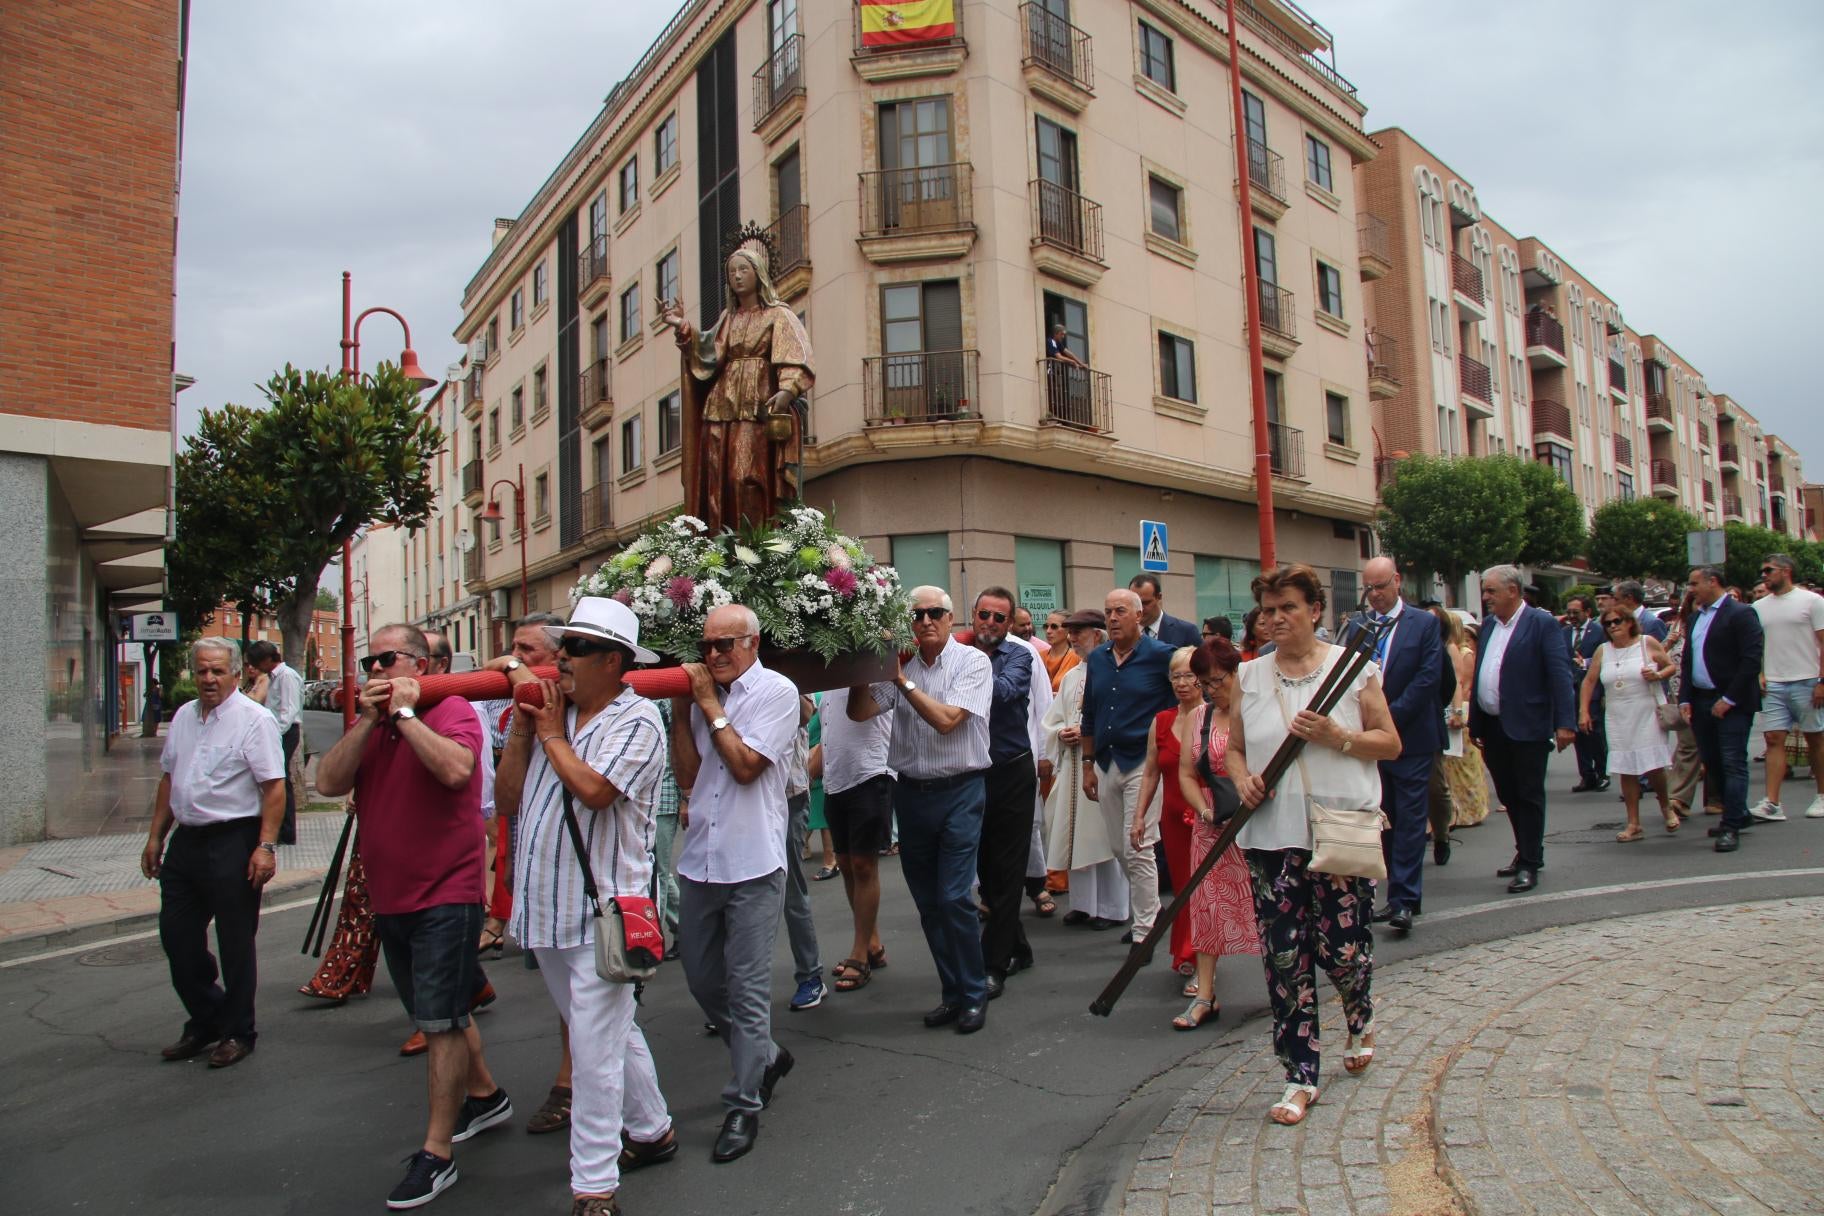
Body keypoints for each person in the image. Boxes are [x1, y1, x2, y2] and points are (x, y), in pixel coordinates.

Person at [314, 623, 510, 1210]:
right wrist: (373, 720)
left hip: (446, 894)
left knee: (442, 1022)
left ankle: (436, 1152)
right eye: (368, 661)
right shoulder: (370, 722)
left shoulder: (450, 709)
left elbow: (456, 771)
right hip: (390, 896)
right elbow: (327, 781)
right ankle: (486, 1096)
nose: (374, 670)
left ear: (419, 666)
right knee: (437, 1010)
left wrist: (404, 717)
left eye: (386, 660)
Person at [493, 598, 673, 1215]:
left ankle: (594, 1185)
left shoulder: (639, 721)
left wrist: (547, 733)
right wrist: (525, 730)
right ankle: (653, 1132)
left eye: (573, 649)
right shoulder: (552, 715)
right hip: (544, 907)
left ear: (612, 661)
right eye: (560, 648)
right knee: (608, 1032)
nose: (559, 660)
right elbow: (506, 798)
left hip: (603, 910)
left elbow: (596, 792)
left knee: (595, 1050)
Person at [1226, 565, 1401, 1125]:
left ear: (1315, 611)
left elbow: (1390, 743)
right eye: (1268, 611)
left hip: (1339, 828)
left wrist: (1339, 736)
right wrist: (1241, 780)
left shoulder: (1353, 669)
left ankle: (1360, 1014)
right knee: (1285, 958)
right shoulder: (1249, 676)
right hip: (1272, 838)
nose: (1276, 619)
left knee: (1343, 950)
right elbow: (1232, 749)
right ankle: (1299, 1074)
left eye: (1288, 609)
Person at [668, 604, 800, 1162]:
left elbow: (747, 766)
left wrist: (705, 704)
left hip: (753, 862)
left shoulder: (777, 692)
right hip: (701, 858)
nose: (716, 655)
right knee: (702, 981)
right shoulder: (701, 698)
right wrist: (683, 710)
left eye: (726, 644)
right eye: (707, 646)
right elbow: (690, 775)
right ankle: (766, 1054)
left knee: (747, 990)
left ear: (753, 643)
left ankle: (744, 1103)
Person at [846, 586, 994, 1034]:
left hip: (961, 790)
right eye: (917, 615)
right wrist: (864, 665)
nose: (926, 620)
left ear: (951, 619)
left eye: (935, 613)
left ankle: (973, 992)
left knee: (953, 896)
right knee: (929, 902)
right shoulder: (900, 666)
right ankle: (952, 993)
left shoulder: (973, 663)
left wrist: (899, 680)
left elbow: (948, 722)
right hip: (911, 793)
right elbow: (859, 711)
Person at [141, 637, 285, 1069]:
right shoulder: (184, 717)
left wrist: (265, 846)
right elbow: (169, 779)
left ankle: (238, 1031)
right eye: (202, 670)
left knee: (235, 942)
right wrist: (155, 837)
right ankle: (207, 1018)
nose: (209, 679)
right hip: (187, 841)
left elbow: (274, 787)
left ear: (237, 674)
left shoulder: (254, 720)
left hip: (234, 840)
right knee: (177, 938)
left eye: (218, 671)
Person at [661, 228, 814, 532]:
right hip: (721, 407)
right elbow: (708, 352)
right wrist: (683, 328)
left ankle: (754, 545)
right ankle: (722, 541)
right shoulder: (729, 319)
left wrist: (787, 390)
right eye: (732, 271)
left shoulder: (777, 315)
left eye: (743, 269)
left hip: (757, 407)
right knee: (717, 477)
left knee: (745, 475)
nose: (737, 276)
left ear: (758, 274)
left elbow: (795, 354)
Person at [1469, 565, 1577, 894]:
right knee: (1509, 794)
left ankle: (1531, 862)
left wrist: (1565, 723)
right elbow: (1481, 674)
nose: (1485, 597)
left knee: (1528, 795)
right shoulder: (1488, 626)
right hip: (1494, 725)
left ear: (1513, 591)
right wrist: (1476, 719)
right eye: (1484, 591)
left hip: (1527, 725)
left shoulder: (1540, 624)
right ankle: (1524, 850)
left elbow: (1560, 675)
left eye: (1491, 591)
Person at [1081, 588, 1178, 942]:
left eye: (1120, 611)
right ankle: (1152, 908)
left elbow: (1185, 701)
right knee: (1120, 847)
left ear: (1139, 616)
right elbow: (1089, 713)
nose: (1112, 618)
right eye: (1108, 612)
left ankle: (1145, 931)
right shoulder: (1098, 659)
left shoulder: (1162, 656)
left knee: (1138, 845)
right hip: (1107, 761)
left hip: (1144, 762)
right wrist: (1087, 764)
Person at [1172, 638, 1259, 1030]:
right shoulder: (1200, 717)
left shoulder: (1255, 710)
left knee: (1269, 904)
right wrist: (1205, 811)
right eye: (1204, 683)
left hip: (1256, 819)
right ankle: (1205, 994)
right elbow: (1187, 774)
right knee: (1206, 906)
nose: (1211, 690)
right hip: (1213, 822)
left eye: (1217, 681)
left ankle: (1284, 984)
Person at [1355, 557, 1444, 933]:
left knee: (1409, 818)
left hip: (1411, 737)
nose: (1375, 595)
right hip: (1373, 742)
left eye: (1381, 587)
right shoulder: (1361, 626)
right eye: (1369, 589)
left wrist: (1389, 719)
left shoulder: (1423, 623)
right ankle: (1395, 894)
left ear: (1397, 582)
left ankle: (1404, 899)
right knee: (1385, 819)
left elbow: (1428, 679)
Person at [969, 587, 1040, 999]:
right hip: (974, 774)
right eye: (984, 615)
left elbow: (1004, 692)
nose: (991, 624)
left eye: (999, 618)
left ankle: (992, 965)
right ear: (973, 616)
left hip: (1012, 772)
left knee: (1008, 868)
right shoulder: (959, 651)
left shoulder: (1019, 655)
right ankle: (1019, 946)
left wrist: (966, 671)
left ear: (1010, 623)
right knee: (988, 872)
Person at [1130, 646, 1205, 980]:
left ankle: (1199, 957)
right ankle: (1186, 950)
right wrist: (1139, 817)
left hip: (1207, 816)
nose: (1182, 683)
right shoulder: (1160, 722)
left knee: (1203, 889)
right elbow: (1150, 773)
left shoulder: (1215, 717)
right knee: (1182, 886)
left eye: (1189, 675)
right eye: (1176, 676)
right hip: (1173, 818)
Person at [1680, 565, 1765, 853]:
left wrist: (1729, 699)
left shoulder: (1740, 613)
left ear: (1712, 582)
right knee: (1713, 762)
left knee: (1732, 762)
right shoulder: (1695, 618)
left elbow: (1751, 660)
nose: (1690, 589)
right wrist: (1685, 699)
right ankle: (1737, 812)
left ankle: (1731, 827)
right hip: (1702, 700)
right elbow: (1688, 661)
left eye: (1694, 583)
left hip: (1732, 702)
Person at [1045, 610, 1119, 925]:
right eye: (1070, 632)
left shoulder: (1115, 672)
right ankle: (1085, 904)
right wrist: (1062, 731)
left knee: (1105, 837)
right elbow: (1053, 719)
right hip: (1073, 766)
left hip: (1103, 765)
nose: (1073, 639)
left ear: (1098, 635)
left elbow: (1119, 718)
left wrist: (1086, 732)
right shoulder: (1073, 675)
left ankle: (1113, 909)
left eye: (1079, 633)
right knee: (1075, 836)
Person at [1579, 607, 1679, 841]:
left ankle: (1666, 807)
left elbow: (1670, 666)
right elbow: (1589, 681)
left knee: (1653, 765)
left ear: (1629, 622)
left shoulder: (1647, 642)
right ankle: (1634, 823)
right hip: (1617, 713)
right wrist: (1583, 711)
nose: (1613, 626)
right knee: (1626, 768)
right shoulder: (1603, 651)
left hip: (1646, 711)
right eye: (1608, 623)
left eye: (1617, 621)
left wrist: (1658, 675)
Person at [821, 685, 894, 992]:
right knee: (848, 865)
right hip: (835, 777)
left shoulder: (874, 662)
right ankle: (872, 943)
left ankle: (859, 953)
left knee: (864, 865)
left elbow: (860, 710)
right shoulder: (826, 675)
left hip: (871, 771)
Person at [1750, 553, 1824, 821]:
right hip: (1775, 682)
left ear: (1786, 571)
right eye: (1763, 571)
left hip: (1807, 679)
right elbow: (1757, 645)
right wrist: (1760, 673)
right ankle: (1772, 802)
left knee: (1815, 738)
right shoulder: (1759, 607)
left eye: (1768, 570)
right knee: (1773, 739)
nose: (1764, 575)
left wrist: (1821, 681)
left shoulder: (1812, 601)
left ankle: (1822, 795)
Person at [1425, 607, 1489, 845]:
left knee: (1450, 772)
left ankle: (1454, 819)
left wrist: (1457, 711)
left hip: (1450, 710)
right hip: (1439, 713)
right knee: (1446, 771)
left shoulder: (1450, 649)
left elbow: (1457, 682)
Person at [780, 693, 826, 1012]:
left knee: (792, 892)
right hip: (733, 798)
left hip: (786, 794)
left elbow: (804, 711)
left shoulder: (787, 654)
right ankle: (731, 992)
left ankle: (810, 976)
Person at [245, 641, 304, 844]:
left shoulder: (286, 676)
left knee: (280, 779)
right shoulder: (273, 677)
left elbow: (288, 711)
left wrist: (273, 735)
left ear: (268, 659)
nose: (254, 667)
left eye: (257, 662)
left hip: (285, 732)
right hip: (278, 732)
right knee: (277, 778)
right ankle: (281, 829)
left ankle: (286, 832)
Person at [1562, 595, 1610, 793]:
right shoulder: (1563, 633)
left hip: (1592, 690)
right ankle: (1586, 775)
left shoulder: (1599, 631)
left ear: (1587, 612)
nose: (1571, 616)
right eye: (1569, 612)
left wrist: (1588, 663)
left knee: (1594, 732)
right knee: (1578, 735)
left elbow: (1607, 656)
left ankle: (1602, 772)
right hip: (1570, 690)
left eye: (1576, 612)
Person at [1129, 573, 1201, 647]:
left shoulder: (1186, 632)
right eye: (1136, 603)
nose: (1140, 608)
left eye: (1145, 603)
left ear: (1159, 597)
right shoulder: (1123, 632)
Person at [1041, 610, 1079, 692]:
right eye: (1046, 626)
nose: (1048, 631)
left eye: (1054, 627)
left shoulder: (1077, 658)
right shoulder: (1039, 656)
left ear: (1069, 630)